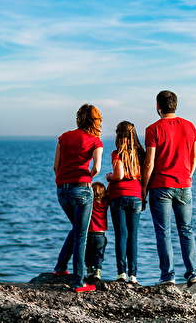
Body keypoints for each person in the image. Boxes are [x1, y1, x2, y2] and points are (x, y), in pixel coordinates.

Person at [141, 90, 196, 285]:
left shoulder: (153, 129)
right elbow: (194, 157)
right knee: (186, 230)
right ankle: (192, 273)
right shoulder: (190, 126)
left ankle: (168, 276)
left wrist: (144, 188)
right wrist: (188, 175)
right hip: (184, 185)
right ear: (175, 105)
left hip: (160, 186)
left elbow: (149, 163)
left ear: (158, 106)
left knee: (163, 232)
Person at [53, 104, 103, 292]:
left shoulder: (64, 137)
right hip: (82, 189)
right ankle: (79, 282)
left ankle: (60, 268)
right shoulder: (95, 141)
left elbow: (56, 167)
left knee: (77, 228)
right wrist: (87, 179)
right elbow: (96, 168)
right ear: (96, 121)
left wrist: (64, 182)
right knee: (82, 234)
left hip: (62, 190)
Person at [106, 121, 145, 283]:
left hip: (118, 196)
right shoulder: (140, 154)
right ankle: (133, 275)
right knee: (133, 237)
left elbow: (119, 175)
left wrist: (109, 176)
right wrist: (144, 196)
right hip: (136, 195)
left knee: (121, 236)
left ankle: (121, 273)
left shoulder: (117, 154)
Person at [87, 182, 109, 280]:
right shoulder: (105, 204)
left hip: (89, 233)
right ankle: (97, 271)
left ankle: (89, 270)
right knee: (99, 253)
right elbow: (108, 195)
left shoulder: (90, 204)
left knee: (88, 253)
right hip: (100, 234)